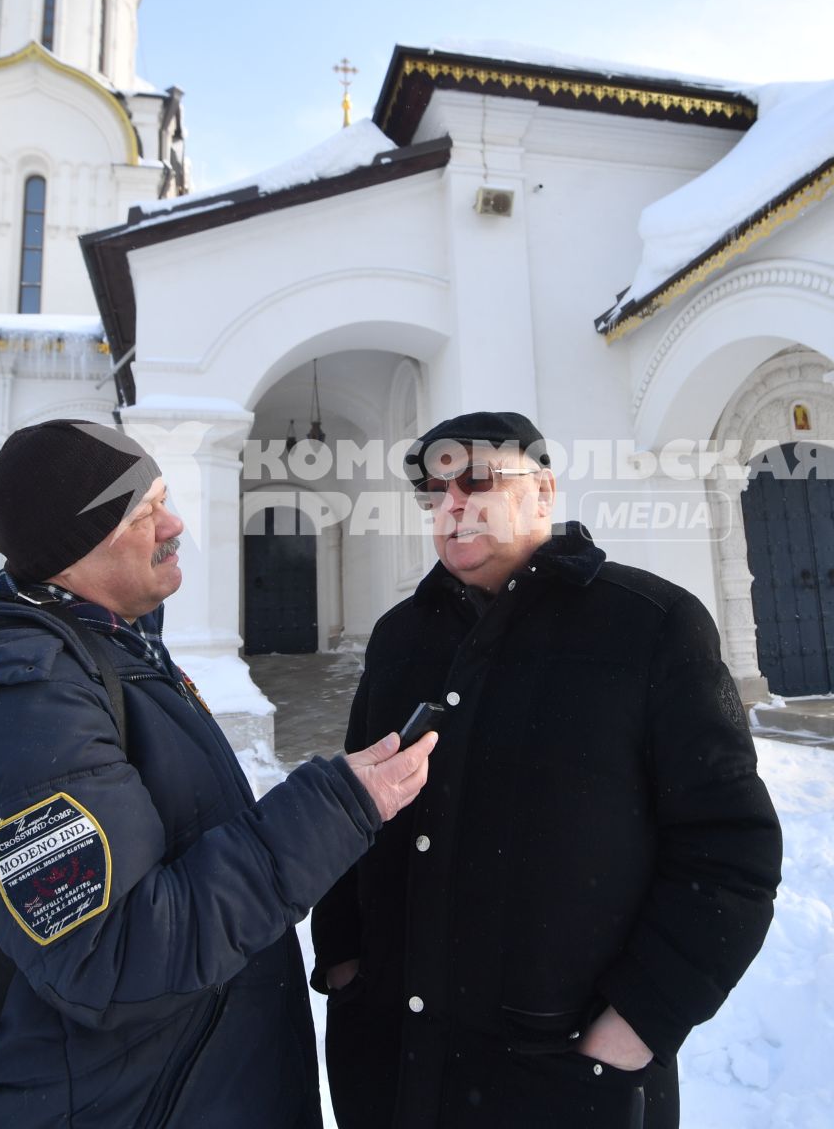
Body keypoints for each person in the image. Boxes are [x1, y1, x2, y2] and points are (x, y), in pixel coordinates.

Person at [0, 418, 437, 1126]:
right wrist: (335, 808)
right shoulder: (16, 713)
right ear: (76, 546)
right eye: (145, 511)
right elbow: (119, 959)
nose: (174, 523)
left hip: (181, 1090)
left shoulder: (106, 647)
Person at [312, 411, 782, 1129]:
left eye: (478, 479)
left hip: (564, 1081)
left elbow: (730, 850)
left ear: (543, 492)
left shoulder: (650, 624)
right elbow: (359, 811)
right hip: (398, 1067)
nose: (453, 505)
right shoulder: (401, 637)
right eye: (434, 492)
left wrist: (633, 1028)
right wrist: (345, 963)